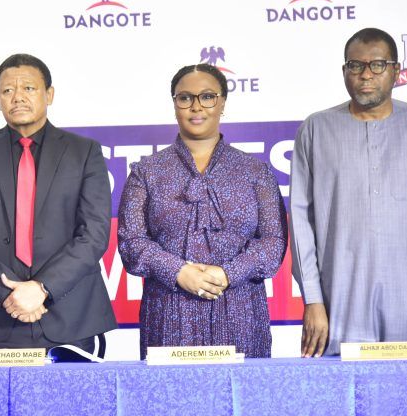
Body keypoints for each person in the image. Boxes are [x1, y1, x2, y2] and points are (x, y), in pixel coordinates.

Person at [0, 53, 117, 352]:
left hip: (70, 313)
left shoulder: (84, 152)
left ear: (49, 94)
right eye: (7, 90)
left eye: (28, 88)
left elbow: (94, 233)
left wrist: (43, 288)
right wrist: (9, 294)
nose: (18, 97)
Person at [118, 64, 287, 359]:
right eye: (185, 98)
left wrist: (229, 273)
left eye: (207, 97)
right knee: (171, 391)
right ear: (175, 104)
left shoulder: (254, 171)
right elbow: (132, 243)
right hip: (169, 315)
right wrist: (178, 272)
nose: (196, 106)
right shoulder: (147, 171)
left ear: (222, 102)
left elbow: (273, 243)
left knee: (243, 390)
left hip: (241, 313)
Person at [291, 27, 407, 357]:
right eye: (355, 65)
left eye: (377, 65)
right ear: (344, 71)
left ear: (396, 71)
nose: (365, 75)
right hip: (340, 301)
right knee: (344, 388)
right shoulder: (316, 129)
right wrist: (313, 299)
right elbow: (301, 222)